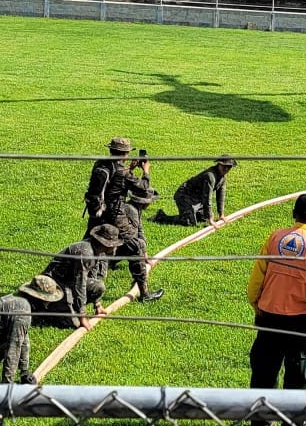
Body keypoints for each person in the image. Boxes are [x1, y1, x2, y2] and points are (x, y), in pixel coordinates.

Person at [247, 193, 306, 426]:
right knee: (299, 379)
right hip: (301, 324)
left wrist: (256, 303)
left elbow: (257, 276)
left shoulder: (276, 237)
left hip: (269, 318)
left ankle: (259, 424)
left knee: (263, 373)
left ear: (293, 214)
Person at [84, 137, 164, 301]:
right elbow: (143, 189)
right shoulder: (122, 172)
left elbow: (115, 179)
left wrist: (130, 168)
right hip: (115, 215)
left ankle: (81, 284)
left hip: (96, 213)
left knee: (90, 248)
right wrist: (146, 171)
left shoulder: (101, 163)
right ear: (126, 153)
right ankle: (144, 293)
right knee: (136, 246)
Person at [41, 223, 123, 326]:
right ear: (105, 244)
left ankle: (69, 306)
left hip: (69, 282)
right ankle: (48, 309)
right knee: (74, 323)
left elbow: (92, 277)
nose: (115, 247)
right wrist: (82, 316)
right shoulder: (86, 254)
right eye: (114, 244)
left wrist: (97, 305)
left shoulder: (98, 252)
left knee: (99, 286)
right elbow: (80, 284)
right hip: (55, 284)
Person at [157, 156, 238, 226]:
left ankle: (191, 214)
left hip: (197, 200)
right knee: (189, 222)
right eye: (224, 166)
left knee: (203, 219)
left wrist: (221, 215)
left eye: (229, 167)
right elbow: (207, 197)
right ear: (219, 164)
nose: (227, 169)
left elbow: (220, 197)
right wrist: (210, 218)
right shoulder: (210, 176)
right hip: (184, 195)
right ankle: (161, 217)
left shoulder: (222, 178)